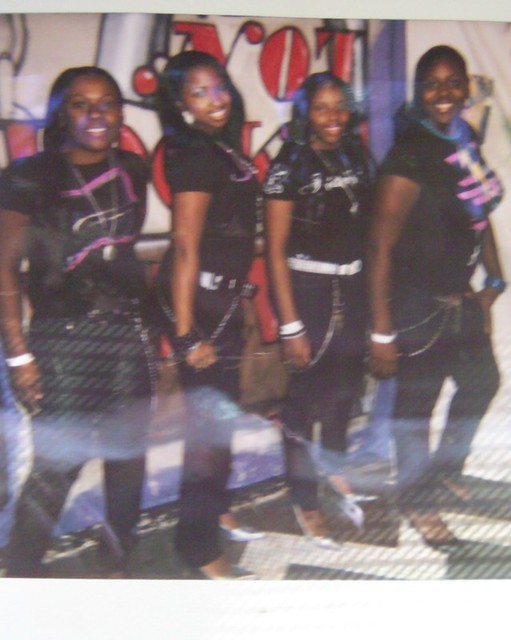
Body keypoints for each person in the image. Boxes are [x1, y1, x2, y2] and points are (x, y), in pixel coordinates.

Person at [0, 66, 157, 577]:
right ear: (62, 113)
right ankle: (21, 570)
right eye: (80, 103)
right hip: (63, 339)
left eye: (107, 102)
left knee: (127, 455)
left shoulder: (133, 168)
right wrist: (19, 353)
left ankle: (116, 563)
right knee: (58, 464)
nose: (96, 114)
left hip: (127, 334)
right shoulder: (28, 175)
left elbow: (124, 254)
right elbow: (5, 265)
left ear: (120, 112)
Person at [368, 45, 504, 549]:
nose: (443, 92)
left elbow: (479, 217)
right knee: (415, 407)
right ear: (418, 91)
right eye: (432, 83)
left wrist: (494, 283)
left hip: (459, 298)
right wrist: (382, 332)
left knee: (482, 381)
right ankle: (417, 503)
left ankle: (444, 470)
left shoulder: (463, 140)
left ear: (466, 87)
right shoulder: (410, 154)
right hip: (416, 303)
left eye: (453, 82)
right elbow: (378, 247)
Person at [156, 51, 263, 579]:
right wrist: (185, 333)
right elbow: (184, 245)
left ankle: (214, 508)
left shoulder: (220, 146)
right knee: (207, 433)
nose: (215, 99)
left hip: (219, 303)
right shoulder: (196, 154)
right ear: (180, 104)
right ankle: (196, 547)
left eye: (218, 86)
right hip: (197, 307)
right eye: (198, 93)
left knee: (221, 419)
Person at [263, 72, 371, 546]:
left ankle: (335, 466)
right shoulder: (288, 163)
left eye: (340, 106)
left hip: (353, 286)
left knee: (345, 391)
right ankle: (304, 499)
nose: (333, 117)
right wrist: (290, 325)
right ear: (305, 112)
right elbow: (274, 249)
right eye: (322, 107)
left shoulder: (355, 153)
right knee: (304, 405)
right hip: (308, 291)